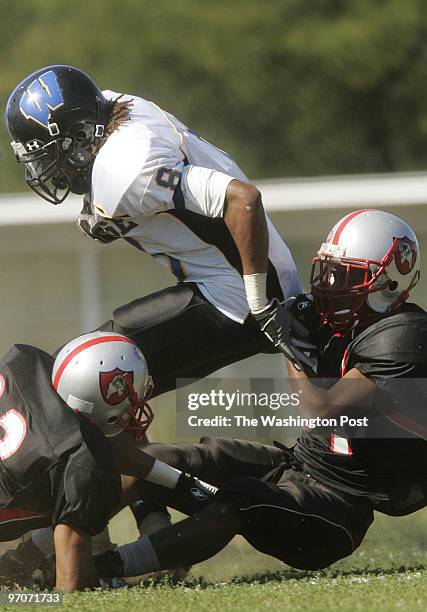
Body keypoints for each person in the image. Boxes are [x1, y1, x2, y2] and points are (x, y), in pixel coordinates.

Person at [92, 209, 427, 580]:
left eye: (348, 275)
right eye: (329, 271)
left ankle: (108, 570)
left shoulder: (403, 336)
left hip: (339, 508)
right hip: (297, 464)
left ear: (391, 282)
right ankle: (51, 547)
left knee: (237, 501)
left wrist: (288, 342)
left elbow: (320, 410)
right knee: (154, 460)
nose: (331, 284)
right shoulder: (334, 319)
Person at [5, 64, 313, 399]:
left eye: (50, 155)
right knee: (108, 396)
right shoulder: (114, 107)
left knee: (79, 374)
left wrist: (260, 304)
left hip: (238, 299)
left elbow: (243, 200)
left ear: (80, 139)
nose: (49, 170)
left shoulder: (127, 172)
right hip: (237, 284)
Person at [0, 332, 216, 591]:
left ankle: (19, 561)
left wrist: (179, 482)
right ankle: (22, 563)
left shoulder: (26, 361)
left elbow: (91, 443)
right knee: (86, 503)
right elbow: (68, 592)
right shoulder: (81, 460)